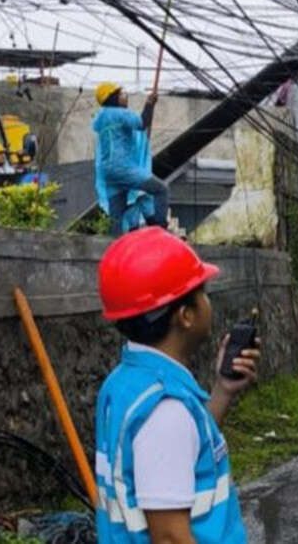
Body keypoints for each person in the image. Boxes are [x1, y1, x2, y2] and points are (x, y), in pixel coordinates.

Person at [94, 227, 261, 544]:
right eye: (203, 293)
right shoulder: (165, 409)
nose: (207, 302)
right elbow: (170, 537)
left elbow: (178, 457)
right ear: (185, 316)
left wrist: (223, 391)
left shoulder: (125, 383)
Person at [92, 83, 169, 236]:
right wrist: (149, 104)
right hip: (123, 168)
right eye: (121, 94)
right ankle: (161, 233)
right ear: (112, 97)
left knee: (116, 218)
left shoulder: (100, 118)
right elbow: (142, 124)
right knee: (161, 189)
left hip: (108, 172)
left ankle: (114, 246)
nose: (124, 96)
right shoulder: (120, 114)